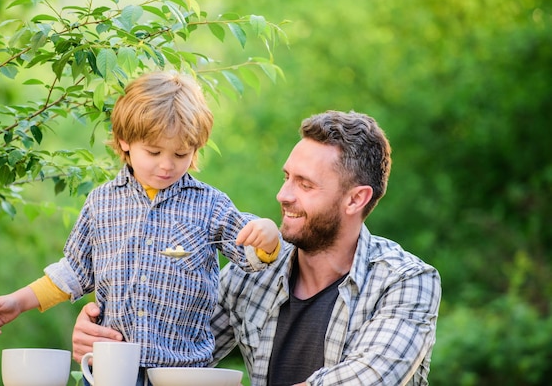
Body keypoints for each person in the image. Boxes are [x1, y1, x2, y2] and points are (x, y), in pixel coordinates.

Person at [71, 110, 441, 386]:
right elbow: (173, 353)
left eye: (305, 185)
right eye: (286, 178)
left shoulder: (405, 280)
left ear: (355, 199)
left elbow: (368, 378)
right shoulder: (249, 278)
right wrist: (109, 341)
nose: (283, 195)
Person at [0, 71, 282, 382]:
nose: (167, 165)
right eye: (153, 152)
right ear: (125, 140)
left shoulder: (210, 205)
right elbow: (73, 271)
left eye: (180, 154)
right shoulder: (101, 203)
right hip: (112, 368)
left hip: (182, 371)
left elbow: (249, 250)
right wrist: (18, 301)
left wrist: (268, 238)